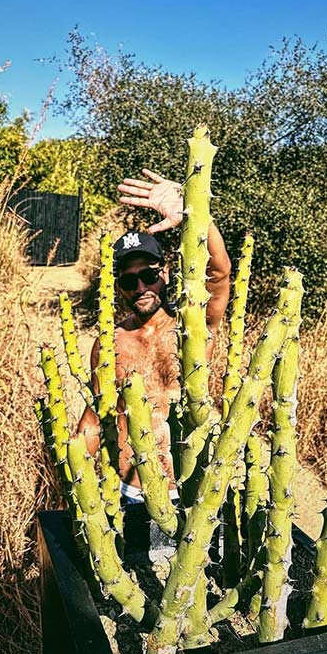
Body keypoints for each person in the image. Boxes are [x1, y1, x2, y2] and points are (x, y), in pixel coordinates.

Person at [76, 168, 231, 503]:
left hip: (190, 492)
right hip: (128, 493)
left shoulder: (193, 327)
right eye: (130, 281)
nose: (141, 287)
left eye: (148, 275)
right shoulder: (109, 342)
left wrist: (194, 211)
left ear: (165, 272)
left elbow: (219, 274)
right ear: (118, 287)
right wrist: (78, 484)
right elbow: (96, 416)